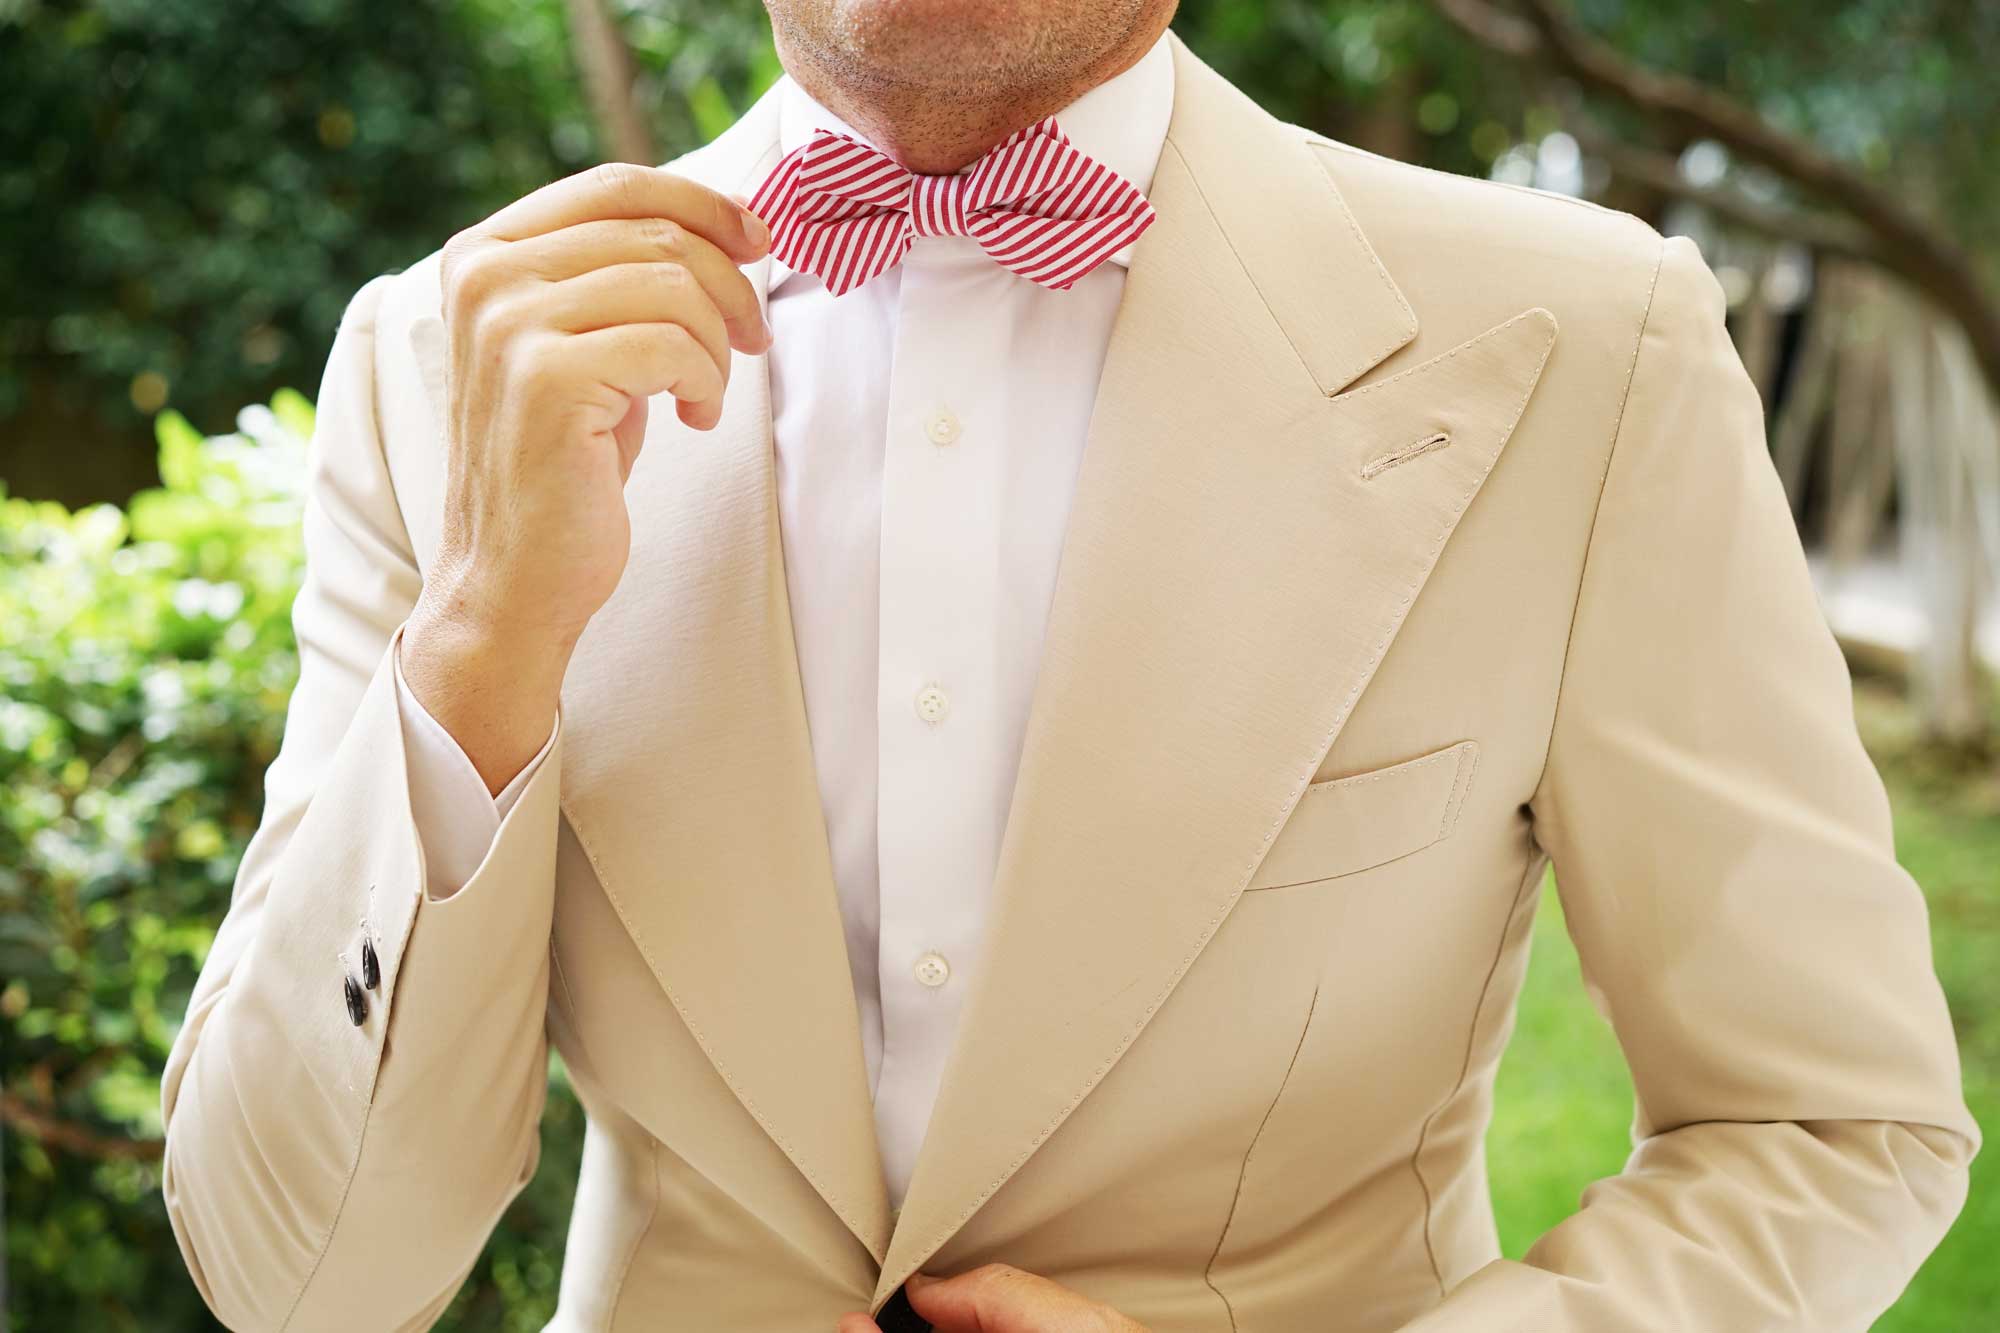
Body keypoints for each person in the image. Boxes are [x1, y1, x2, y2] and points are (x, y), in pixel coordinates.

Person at [158, 1, 1979, 1329]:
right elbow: (300, 1283)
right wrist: (483, 633)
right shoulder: (436, 362)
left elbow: (1828, 1122)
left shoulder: (1587, 349)